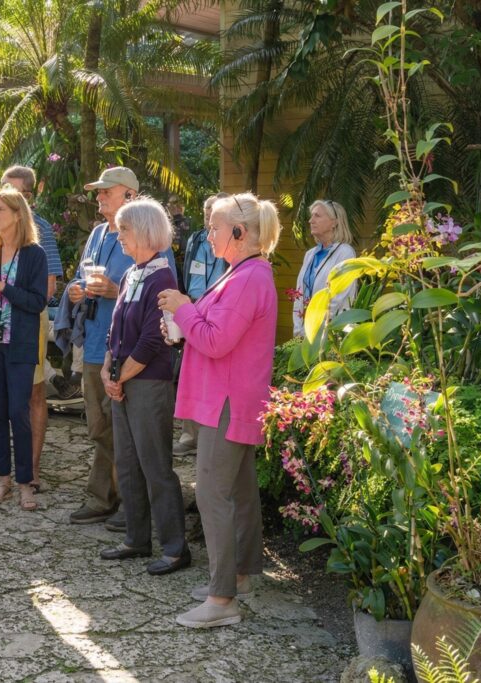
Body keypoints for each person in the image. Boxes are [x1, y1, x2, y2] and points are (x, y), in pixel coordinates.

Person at [158, 192, 281, 628]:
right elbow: (210, 331)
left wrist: (184, 311)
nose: (207, 234)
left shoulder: (247, 277)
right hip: (230, 398)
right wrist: (183, 325)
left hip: (226, 402)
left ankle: (222, 598)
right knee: (241, 491)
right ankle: (242, 575)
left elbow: (215, 340)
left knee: (213, 493)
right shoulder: (243, 272)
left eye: (215, 227)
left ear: (239, 233)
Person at [67, 167, 176, 531]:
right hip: (99, 344)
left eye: (105, 191)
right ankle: (112, 497)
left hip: (134, 353)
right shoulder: (98, 234)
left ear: (129, 194)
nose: (98, 197)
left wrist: (115, 291)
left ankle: (125, 501)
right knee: (100, 426)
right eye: (97, 191)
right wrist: (76, 290)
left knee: (124, 429)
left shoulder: (151, 238)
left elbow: (160, 295)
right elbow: (81, 277)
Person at [98, 198, 189, 575]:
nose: (119, 237)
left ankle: (175, 548)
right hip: (123, 380)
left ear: (146, 231)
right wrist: (108, 370)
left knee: (155, 466)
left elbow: (155, 339)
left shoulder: (163, 276)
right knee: (128, 464)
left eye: (125, 229)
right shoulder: (134, 273)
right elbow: (115, 330)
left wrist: (119, 376)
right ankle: (136, 539)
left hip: (147, 383)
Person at [0, 187, 48, 512]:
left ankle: (25, 484)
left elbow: (37, 301)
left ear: (18, 214)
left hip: (18, 345)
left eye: (1, 209)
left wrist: (3, 287)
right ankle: (3, 479)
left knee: (19, 411)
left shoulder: (34, 254)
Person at [0, 165, 64, 491]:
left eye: (15, 192)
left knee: (33, 393)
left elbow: (49, 288)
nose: (7, 200)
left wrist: (12, 297)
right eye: (3, 190)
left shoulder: (40, 229)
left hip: (27, 322)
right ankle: (6, 468)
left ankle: (33, 468)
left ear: (29, 196)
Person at [174, 192, 229, 458]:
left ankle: (210, 434)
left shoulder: (231, 243)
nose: (208, 214)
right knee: (190, 371)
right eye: (206, 208)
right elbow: (186, 270)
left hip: (219, 310)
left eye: (214, 209)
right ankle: (189, 435)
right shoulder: (196, 239)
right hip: (193, 306)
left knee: (211, 372)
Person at [292, 199, 357, 336]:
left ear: (334, 222)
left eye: (317, 216)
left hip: (332, 334)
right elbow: (299, 295)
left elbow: (337, 297)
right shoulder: (310, 255)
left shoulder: (345, 253)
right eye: (311, 216)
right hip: (306, 334)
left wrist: (313, 327)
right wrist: (299, 330)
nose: (311, 221)